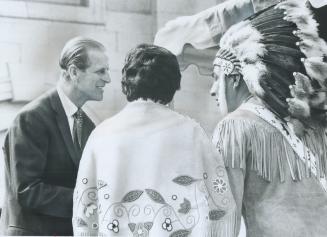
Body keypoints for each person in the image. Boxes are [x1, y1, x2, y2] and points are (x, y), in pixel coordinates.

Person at [72, 44, 236, 237]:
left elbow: (85, 210)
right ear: (173, 84)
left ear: (126, 81)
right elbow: (221, 205)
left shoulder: (101, 135)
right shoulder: (192, 133)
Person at [209, 1, 327, 236]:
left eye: (216, 77)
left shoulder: (233, 127)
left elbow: (222, 213)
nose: (213, 89)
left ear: (235, 80)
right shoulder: (311, 125)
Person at [0, 37, 110, 236]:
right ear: (74, 72)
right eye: (100, 71)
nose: (108, 79)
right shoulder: (31, 119)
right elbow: (28, 191)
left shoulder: (88, 125)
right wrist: (88, 199)